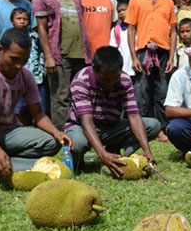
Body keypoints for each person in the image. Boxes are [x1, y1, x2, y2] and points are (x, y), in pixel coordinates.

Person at [0, 28, 71, 182]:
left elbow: (38, 114)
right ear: (0, 49)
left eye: (24, 60)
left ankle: (3, 162)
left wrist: (56, 132)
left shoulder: (26, 76)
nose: (19, 65)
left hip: (7, 132)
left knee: (52, 142)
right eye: (14, 59)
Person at [65, 46, 159, 176]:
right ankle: (79, 161)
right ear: (94, 69)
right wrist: (102, 154)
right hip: (82, 127)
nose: (110, 83)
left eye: (115, 78)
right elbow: (87, 121)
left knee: (152, 125)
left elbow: (134, 116)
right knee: (78, 142)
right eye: (105, 79)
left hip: (111, 127)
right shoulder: (81, 80)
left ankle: (119, 154)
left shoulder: (124, 81)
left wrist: (147, 150)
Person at [33, 0, 91, 130]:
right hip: (60, 55)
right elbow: (41, 29)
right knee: (60, 96)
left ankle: (80, 132)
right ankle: (61, 134)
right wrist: (49, 56)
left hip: (80, 54)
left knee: (80, 94)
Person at [125, 0, 177, 142]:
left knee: (162, 90)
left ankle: (162, 129)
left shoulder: (168, 2)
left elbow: (173, 31)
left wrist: (172, 57)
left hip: (163, 51)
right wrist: (133, 57)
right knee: (142, 91)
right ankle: (144, 128)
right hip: (143, 51)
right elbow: (131, 30)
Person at [10, 8, 47, 122]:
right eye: (19, 19)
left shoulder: (35, 38)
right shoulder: (9, 38)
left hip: (36, 79)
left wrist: (42, 71)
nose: (22, 21)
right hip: (17, 78)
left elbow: (41, 54)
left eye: (25, 19)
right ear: (12, 21)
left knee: (40, 107)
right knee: (18, 108)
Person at [109, 1, 135, 77]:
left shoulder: (138, 28)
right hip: (122, 68)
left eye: (124, 10)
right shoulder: (115, 30)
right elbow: (113, 49)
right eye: (119, 11)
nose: (121, 13)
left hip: (136, 67)